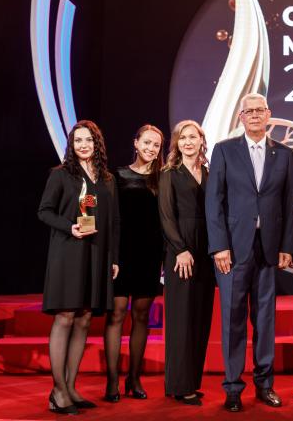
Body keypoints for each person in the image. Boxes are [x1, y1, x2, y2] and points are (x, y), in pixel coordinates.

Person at [205, 92, 293, 412]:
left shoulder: (284, 154)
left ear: (268, 114)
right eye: (249, 111)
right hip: (232, 249)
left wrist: (287, 246)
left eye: (260, 110)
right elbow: (213, 202)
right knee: (233, 319)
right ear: (241, 117)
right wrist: (219, 246)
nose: (255, 115)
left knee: (265, 319)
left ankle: (264, 384)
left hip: (268, 248)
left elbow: (289, 204)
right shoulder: (224, 150)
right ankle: (233, 387)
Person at [38, 120, 119, 414]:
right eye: (78, 140)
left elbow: (114, 222)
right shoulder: (61, 175)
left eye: (88, 140)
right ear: (71, 145)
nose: (83, 145)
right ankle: (58, 392)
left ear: (97, 144)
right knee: (65, 316)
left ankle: (71, 387)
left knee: (85, 318)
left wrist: (114, 258)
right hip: (68, 252)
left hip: (97, 255)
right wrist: (69, 226)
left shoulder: (107, 179)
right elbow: (44, 211)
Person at [103, 124, 164, 402]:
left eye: (156, 145)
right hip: (121, 253)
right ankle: (112, 380)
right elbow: (109, 217)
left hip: (150, 254)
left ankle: (134, 378)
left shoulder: (163, 178)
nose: (151, 149)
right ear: (136, 143)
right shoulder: (116, 176)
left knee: (141, 316)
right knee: (116, 314)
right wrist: (111, 255)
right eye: (147, 143)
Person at [159, 120, 215, 406]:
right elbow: (166, 216)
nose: (188, 142)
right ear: (176, 143)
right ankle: (180, 385)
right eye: (183, 138)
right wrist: (180, 249)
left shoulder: (208, 172)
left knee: (200, 317)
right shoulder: (169, 173)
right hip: (180, 252)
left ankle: (192, 380)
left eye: (193, 137)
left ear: (201, 140)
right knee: (181, 318)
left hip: (206, 251)